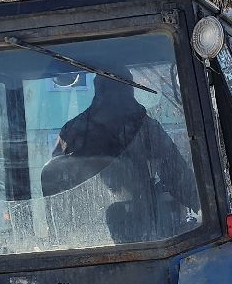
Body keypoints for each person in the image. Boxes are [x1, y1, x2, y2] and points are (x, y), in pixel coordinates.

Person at [40, 74, 197, 243]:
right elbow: (176, 173)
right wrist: (197, 201)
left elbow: (53, 180)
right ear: (129, 90)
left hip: (84, 236)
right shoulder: (146, 127)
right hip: (141, 223)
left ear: (98, 91)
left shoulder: (73, 130)